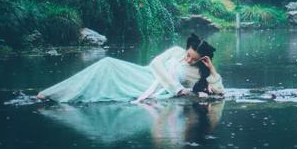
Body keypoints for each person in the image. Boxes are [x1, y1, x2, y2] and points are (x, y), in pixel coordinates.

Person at [36, 33, 224, 103]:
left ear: (202, 60)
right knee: (106, 64)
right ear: (187, 48)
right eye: (189, 54)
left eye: (194, 59)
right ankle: (57, 92)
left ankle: (67, 95)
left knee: (108, 76)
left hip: (157, 89)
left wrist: (212, 70)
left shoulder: (197, 72)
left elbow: (219, 92)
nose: (188, 59)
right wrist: (176, 88)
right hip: (145, 74)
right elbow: (156, 64)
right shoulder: (175, 51)